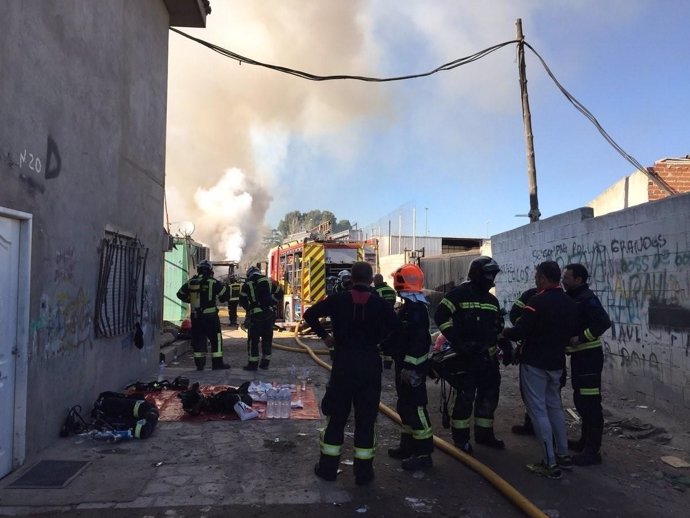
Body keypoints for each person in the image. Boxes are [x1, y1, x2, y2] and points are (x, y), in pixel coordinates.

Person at [303, 261, 400, 486]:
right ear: (370, 279)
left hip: (343, 364)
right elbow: (398, 330)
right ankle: (363, 474)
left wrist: (325, 337)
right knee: (365, 420)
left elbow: (309, 314)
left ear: (351, 278)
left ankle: (327, 469)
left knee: (337, 417)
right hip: (369, 364)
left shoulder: (338, 300)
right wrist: (383, 344)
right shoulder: (380, 304)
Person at [500, 261, 579, 479]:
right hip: (556, 363)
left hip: (535, 363)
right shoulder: (570, 303)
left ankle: (549, 463)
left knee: (538, 411)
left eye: (537, 277)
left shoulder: (537, 301)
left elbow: (520, 331)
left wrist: (504, 333)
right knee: (554, 408)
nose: (535, 280)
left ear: (543, 278)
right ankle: (563, 455)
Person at [433, 256, 506, 453]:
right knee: (465, 399)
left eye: (493, 275)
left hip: (488, 360)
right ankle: (461, 440)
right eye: (488, 274)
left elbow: (496, 327)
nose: (491, 279)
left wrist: (505, 346)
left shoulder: (492, 300)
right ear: (476, 274)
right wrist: (458, 341)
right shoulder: (458, 294)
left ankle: (484, 435)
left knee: (489, 397)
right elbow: (440, 316)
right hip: (466, 359)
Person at [382, 264, 434, 471]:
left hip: (412, 368)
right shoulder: (409, 307)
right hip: (404, 364)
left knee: (416, 408)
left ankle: (424, 454)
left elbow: (420, 341)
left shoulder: (416, 309)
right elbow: (400, 337)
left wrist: (410, 367)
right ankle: (408, 446)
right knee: (404, 406)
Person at [561, 263, 612, 466]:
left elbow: (603, 322)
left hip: (589, 359)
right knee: (581, 400)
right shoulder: (574, 298)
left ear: (579, 280)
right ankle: (584, 443)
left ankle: (593, 451)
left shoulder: (587, 298)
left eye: (567, 277)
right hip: (580, 359)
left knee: (590, 404)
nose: (563, 280)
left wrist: (581, 338)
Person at [176, 260, 230, 371]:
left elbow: (180, 294)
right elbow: (225, 296)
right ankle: (217, 364)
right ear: (210, 270)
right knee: (216, 340)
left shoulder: (191, 282)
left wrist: (191, 300)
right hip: (211, 317)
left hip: (196, 317)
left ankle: (200, 365)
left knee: (198, 339)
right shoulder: (213, 282)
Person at [508, 287, 539, 436]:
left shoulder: (554, 299)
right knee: (529, 391)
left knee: (547, 395)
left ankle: (544, 429)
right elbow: (514, 312)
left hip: (542, 354)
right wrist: (524, 326)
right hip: (530, 350)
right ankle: (531, 423)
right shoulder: (530, 294)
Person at [239, 266, 274, 371]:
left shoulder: (246, 285)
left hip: (255, 317)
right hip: (268, 315)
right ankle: (265, 363)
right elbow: (279, 293)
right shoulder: (267, 281)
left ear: (249, 275)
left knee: (253, 341)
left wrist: (249, 309)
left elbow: (242, 301)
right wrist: (273, 304)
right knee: (267, 339)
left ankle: (253, 365)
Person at [373, 272, 397, 368]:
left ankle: (376, 361)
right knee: (389, 339)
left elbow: (373, 306)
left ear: (377, 281)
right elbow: (393, 303)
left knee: (379, 339)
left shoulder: (376, 291)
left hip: (380, 320)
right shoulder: (391, 290)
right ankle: (388, 363)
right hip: (390, 318)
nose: (374, 282)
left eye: (375, 281)